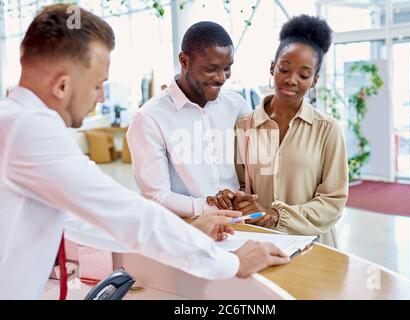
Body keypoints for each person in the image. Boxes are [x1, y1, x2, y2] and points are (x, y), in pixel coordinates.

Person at [0, 4, 289, 299]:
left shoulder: (13, 123)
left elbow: (81, 221)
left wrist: (192, 233)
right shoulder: (29, 130)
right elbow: (127, 215)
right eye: (98, 85)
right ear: (62, 85)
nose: (101, 98)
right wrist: (234, 263)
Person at [210, 15, 349, 247]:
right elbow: (243, 185)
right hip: (260, 243)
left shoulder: (327, 130)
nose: (291, 80)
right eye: (284, 69)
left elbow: (332, 202)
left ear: (314, 80)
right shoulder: (245, 126)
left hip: (312, 245)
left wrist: (276, 216)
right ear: (273, 67)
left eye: (304, 75)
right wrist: (234, 198)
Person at [126, 21, 251, 218]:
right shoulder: (149, 118)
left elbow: (250, 168)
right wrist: (213, 208)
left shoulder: (236, 105)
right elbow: (156, 196)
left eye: (227, 68)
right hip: (188, 230)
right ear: (184, 61)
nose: (221, 77)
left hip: (243, 222)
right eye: (212, 68)